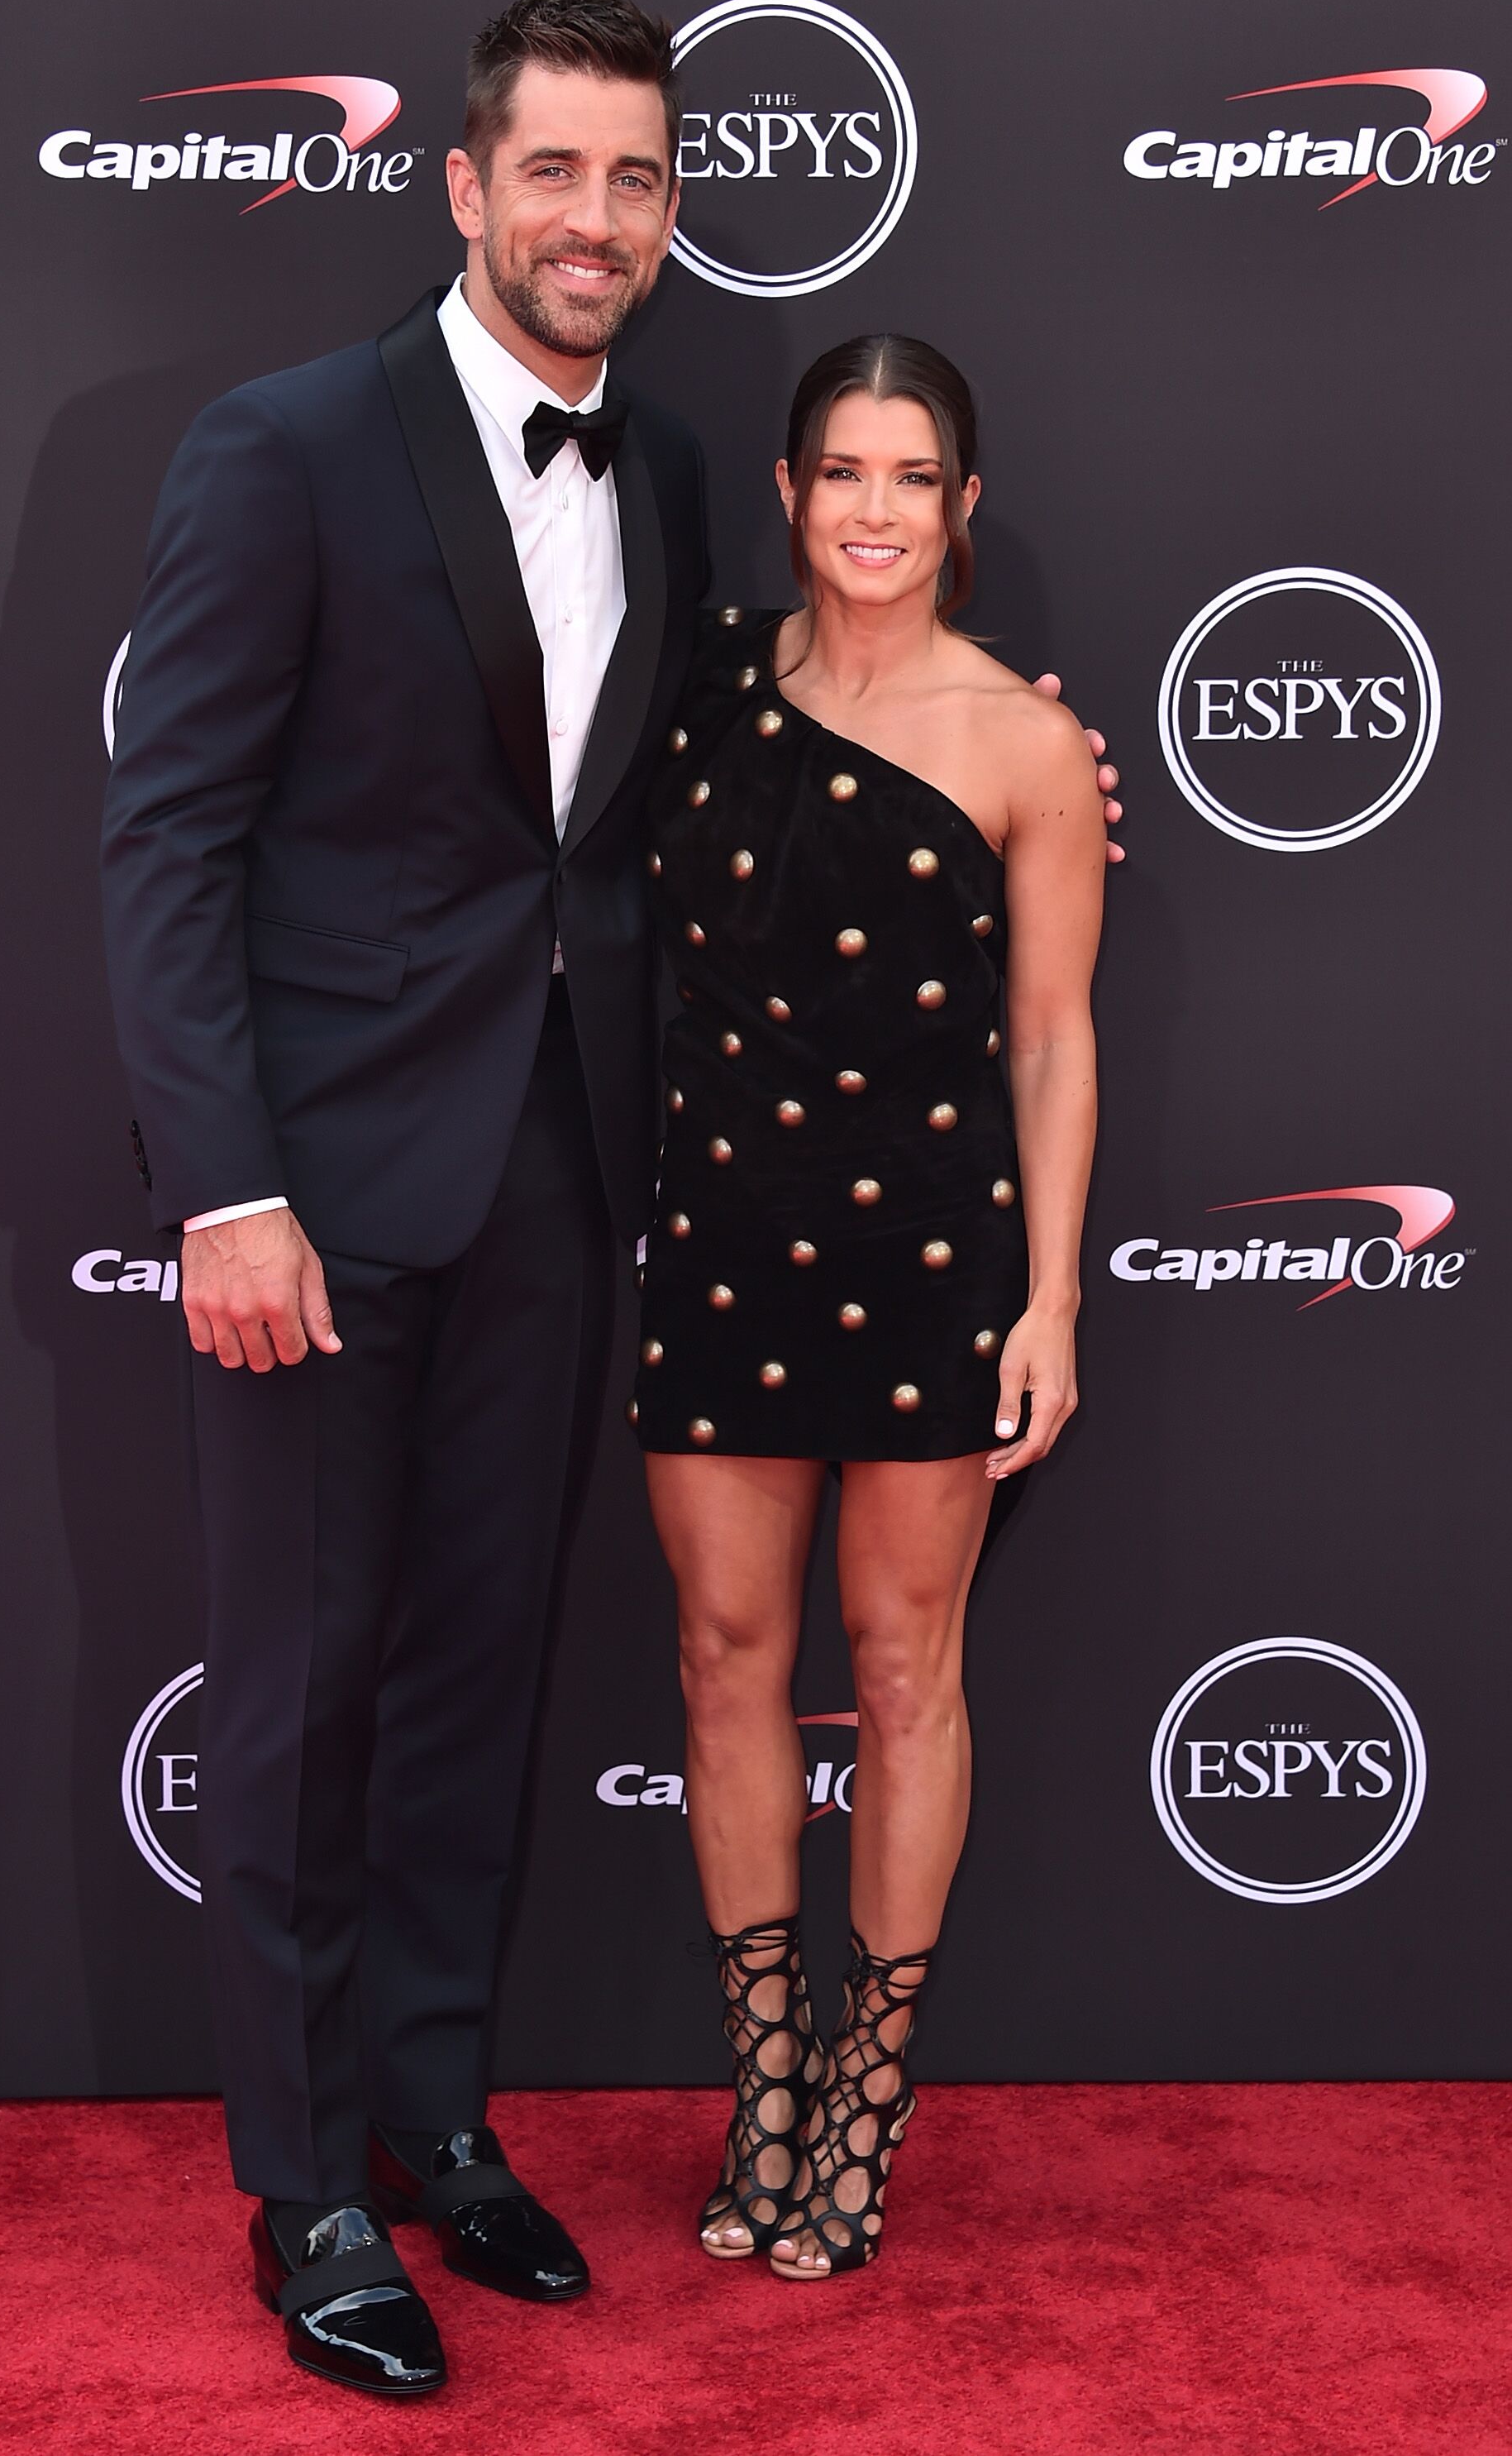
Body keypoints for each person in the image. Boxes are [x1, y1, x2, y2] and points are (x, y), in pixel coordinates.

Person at [103, 0, 1125, 2392]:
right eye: (552, 173)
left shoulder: (674, 473)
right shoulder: (282, 449)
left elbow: (795, 771)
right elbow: (164, 843)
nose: (596, 221)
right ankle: (307, 2185)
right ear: (463, 188)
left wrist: (1022, 747)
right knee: (297, 1699)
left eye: (638, 183)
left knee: (475, 1680)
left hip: (576, 1180)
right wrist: (222, 1184)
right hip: (322, 1205)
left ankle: (442, 2120)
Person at [633, 335, 1107, 2280]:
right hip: (723, 1237)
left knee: (904, 1669)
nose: (877, 510)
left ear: (964, 505)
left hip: (928, 1254)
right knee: (723, 1657)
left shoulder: (1022, 742)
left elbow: (1056, 1040)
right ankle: (762, 2075)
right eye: (845, 470)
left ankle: (864, 2097)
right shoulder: (703, 688)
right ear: (787, 487)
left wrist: (1050, 1296)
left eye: (915, 476)